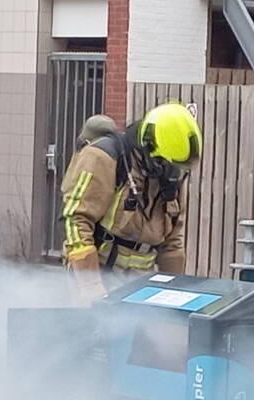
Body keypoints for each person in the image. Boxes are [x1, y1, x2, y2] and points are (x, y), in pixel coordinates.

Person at [60, 103, 202, 302]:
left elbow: (172, 242)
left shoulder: (173, 174)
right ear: (150, 148)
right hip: (98, 272)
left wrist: (174, 293)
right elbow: (76, 219)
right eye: (168, 164)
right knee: (89, 332)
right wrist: (90, 284)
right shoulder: (106, 158)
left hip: (140, 284)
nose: (173, 172)